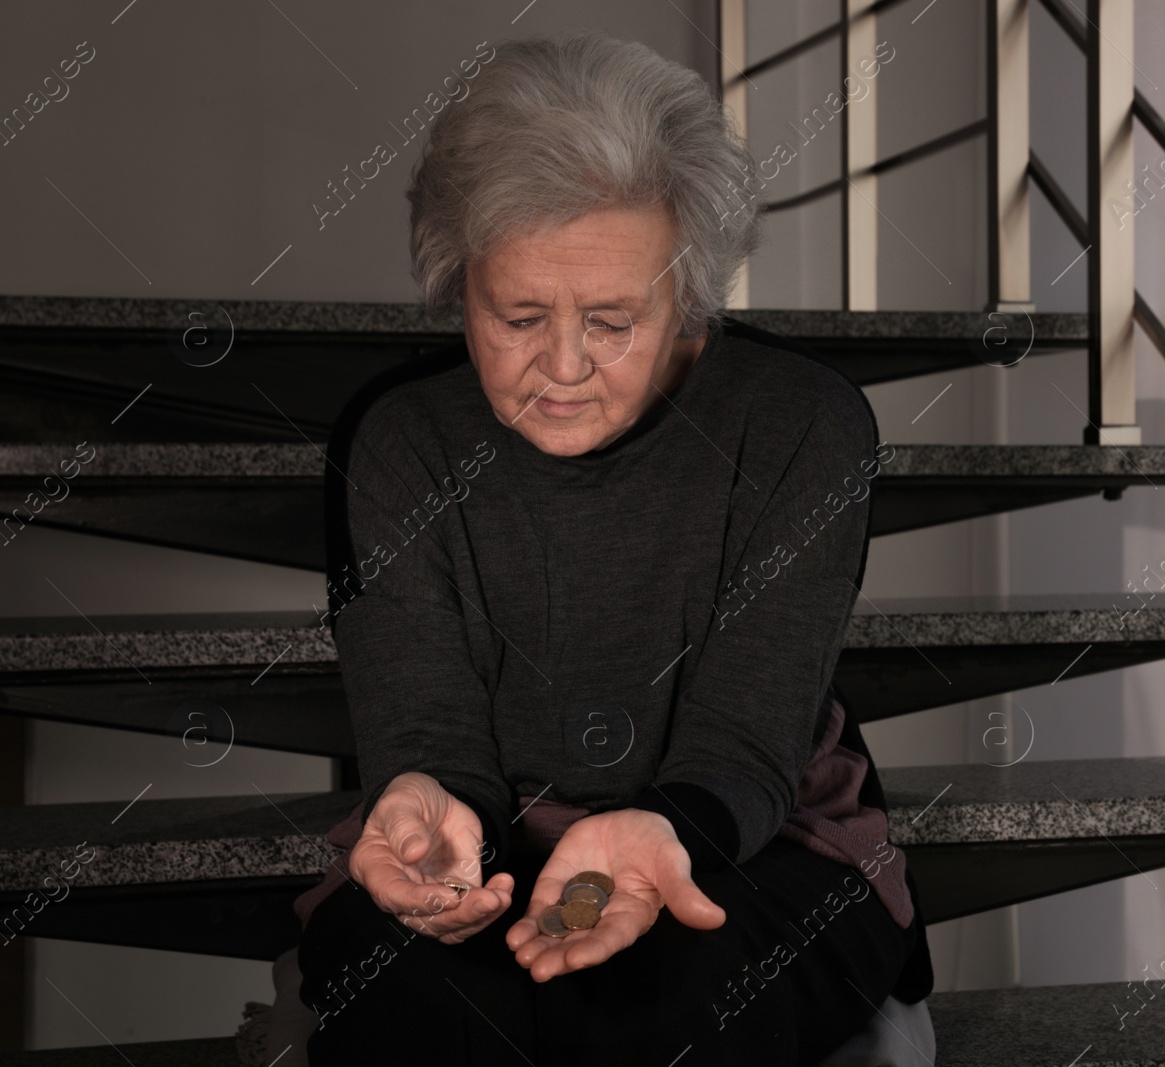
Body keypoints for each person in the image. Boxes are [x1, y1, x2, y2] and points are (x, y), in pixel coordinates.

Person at [293, 30, 934, 1067]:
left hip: (741, 831)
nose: (561, 364)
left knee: (649, 1020)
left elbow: (745, 739)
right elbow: (427, 728)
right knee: (415, 1014)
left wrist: (653, 836)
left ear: (686, 294)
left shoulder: (801, 426)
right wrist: (424, 805)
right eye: (517, 315)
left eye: (610, 320)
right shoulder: (400, 440)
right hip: (493, 832)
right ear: (460, 286)